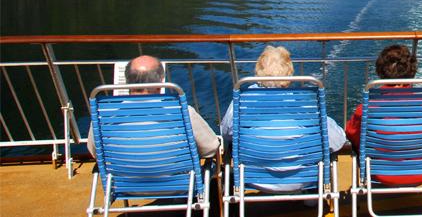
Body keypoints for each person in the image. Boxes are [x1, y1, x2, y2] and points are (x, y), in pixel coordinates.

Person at [219, 46, 347, 191]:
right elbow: (336, 140)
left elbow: (226, 132)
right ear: (289, 73)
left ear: (258, 71)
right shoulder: (305, 105)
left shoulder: (241, 101)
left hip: (252, 177)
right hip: (303, 179)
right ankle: (312, 198)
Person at [345, 44, 422, 186]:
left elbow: (352, 133)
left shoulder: (366, 108)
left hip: (380, 173)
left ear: (380, 72)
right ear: (412, 71)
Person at [87, 55, 220, 159]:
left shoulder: (102, 117)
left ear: (127, 81)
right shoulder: (183, 114)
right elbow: (211, 149)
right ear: (160, 82)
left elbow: (95, 152)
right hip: (178, 187)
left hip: (124, 188)